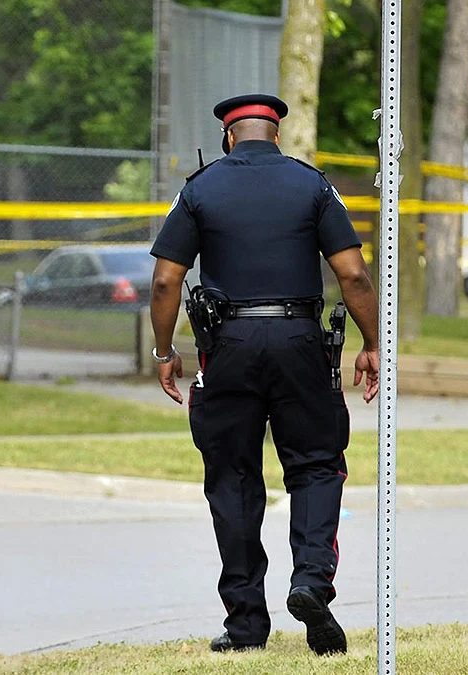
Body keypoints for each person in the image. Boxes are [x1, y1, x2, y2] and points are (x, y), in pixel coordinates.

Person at [147, 94, 380, 656]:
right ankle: (311, 583)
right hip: (301, 343)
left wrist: (163, 351)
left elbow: (163, 281)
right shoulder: (313, 186)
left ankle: (247, 626)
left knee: (232, 478)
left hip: (225, 347)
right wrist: (375, 343)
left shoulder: (199, 188)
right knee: (318, 465)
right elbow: (352, 275)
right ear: (277, 134)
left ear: (229, 137)